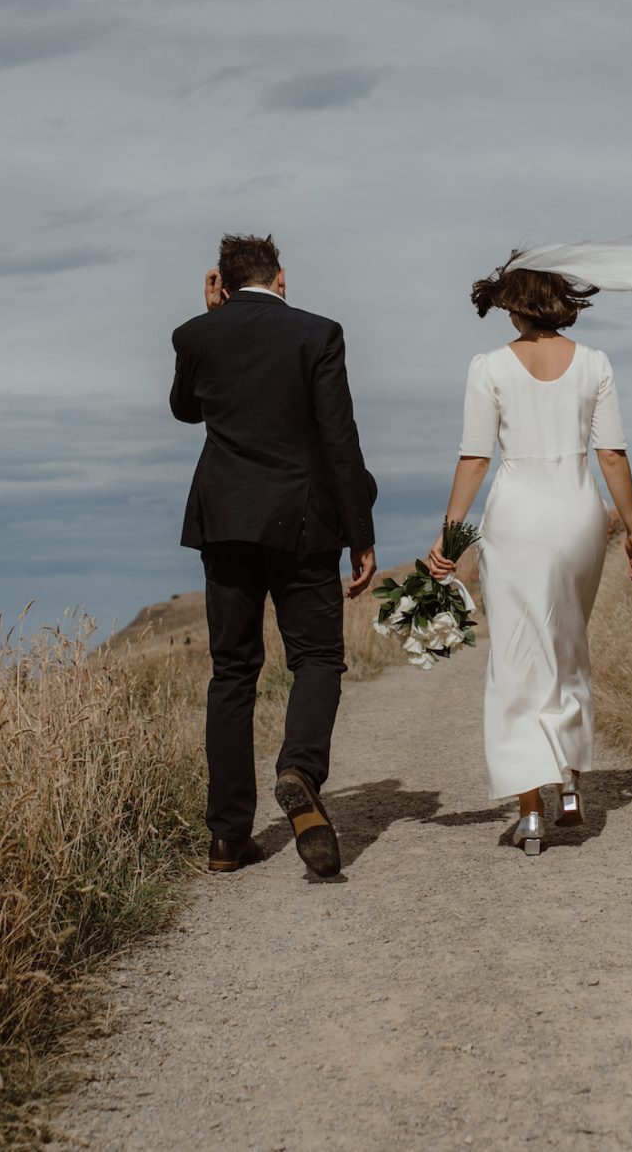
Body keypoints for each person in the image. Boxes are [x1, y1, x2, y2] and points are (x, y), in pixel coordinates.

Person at [170, 234, 378, 878]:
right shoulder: (317, 334)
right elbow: (337, 437)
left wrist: (210, 320)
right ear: (281, 278)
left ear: (223, 283)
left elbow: (184, 410)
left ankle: (228, 838)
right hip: (302, 522)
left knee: (232, 672)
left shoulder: (195, 335)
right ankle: (300, 769)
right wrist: (360, 532)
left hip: (224, 520)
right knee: (316, 658)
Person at [426, 260, 632, 856]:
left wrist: (450, 536)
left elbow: (475, 459)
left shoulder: (490, 368)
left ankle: (530, 812)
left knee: (519, 657)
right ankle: (572, 781)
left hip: (518, 512)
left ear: (515, 306)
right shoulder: (596, 364)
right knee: (568, 643)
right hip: (580, 508)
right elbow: (612, 455)